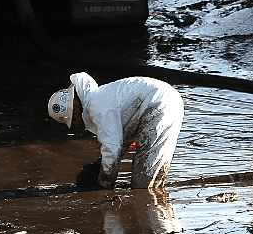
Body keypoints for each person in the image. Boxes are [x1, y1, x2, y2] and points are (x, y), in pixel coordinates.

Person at [48, 72, 184, 190]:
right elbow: (122, 140)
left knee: (143, 181)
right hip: (167, 99)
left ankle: (151, 210)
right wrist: (102, 165)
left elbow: (112, 149)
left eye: (74, 119)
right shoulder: (102, 96)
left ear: (76, 105)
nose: (77, 124)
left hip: (158, 105)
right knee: (153, 171)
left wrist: (104, 183)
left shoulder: (97, 106)